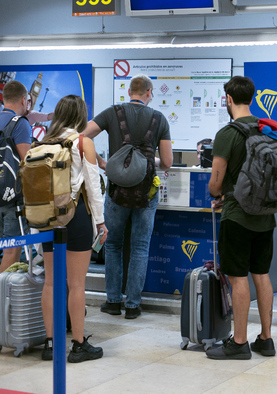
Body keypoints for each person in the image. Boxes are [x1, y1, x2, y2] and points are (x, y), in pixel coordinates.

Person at [83, 74, 173, 319]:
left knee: (112, 245)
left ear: (129, 91)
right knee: (140, 247)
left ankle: (112, 302)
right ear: (149, 92)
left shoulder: (113, 112)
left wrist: (103, 163)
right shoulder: (159, 118)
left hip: (116, 191)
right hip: (146, 192)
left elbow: (83, 135)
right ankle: (133, 305)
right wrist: (146, 161)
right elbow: (166, 162)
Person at [206, 76, 276, 360]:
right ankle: (266, 339)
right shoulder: (268, 130)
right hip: (266, 216)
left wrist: (221, 193)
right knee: (261, 274)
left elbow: (215, 183)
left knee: (238, 278)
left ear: (228, 99)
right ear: (252, 97)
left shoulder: (227, 133)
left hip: (237, 216)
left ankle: (239, 342)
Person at [40, 95, 108, 363]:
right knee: (76, 284)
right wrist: (101, 222)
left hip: (46, 218)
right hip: (76, 216)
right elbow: (93, 188)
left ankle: (50, 344)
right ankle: (78, 345)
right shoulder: (83, 143)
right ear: (81, 115)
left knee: (50, 282)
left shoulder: (42, 143)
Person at [0, 81, 31, 274]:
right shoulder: (20, 124)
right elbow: (27, 162)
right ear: (23, 100)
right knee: (12, 250)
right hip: (13, 198)